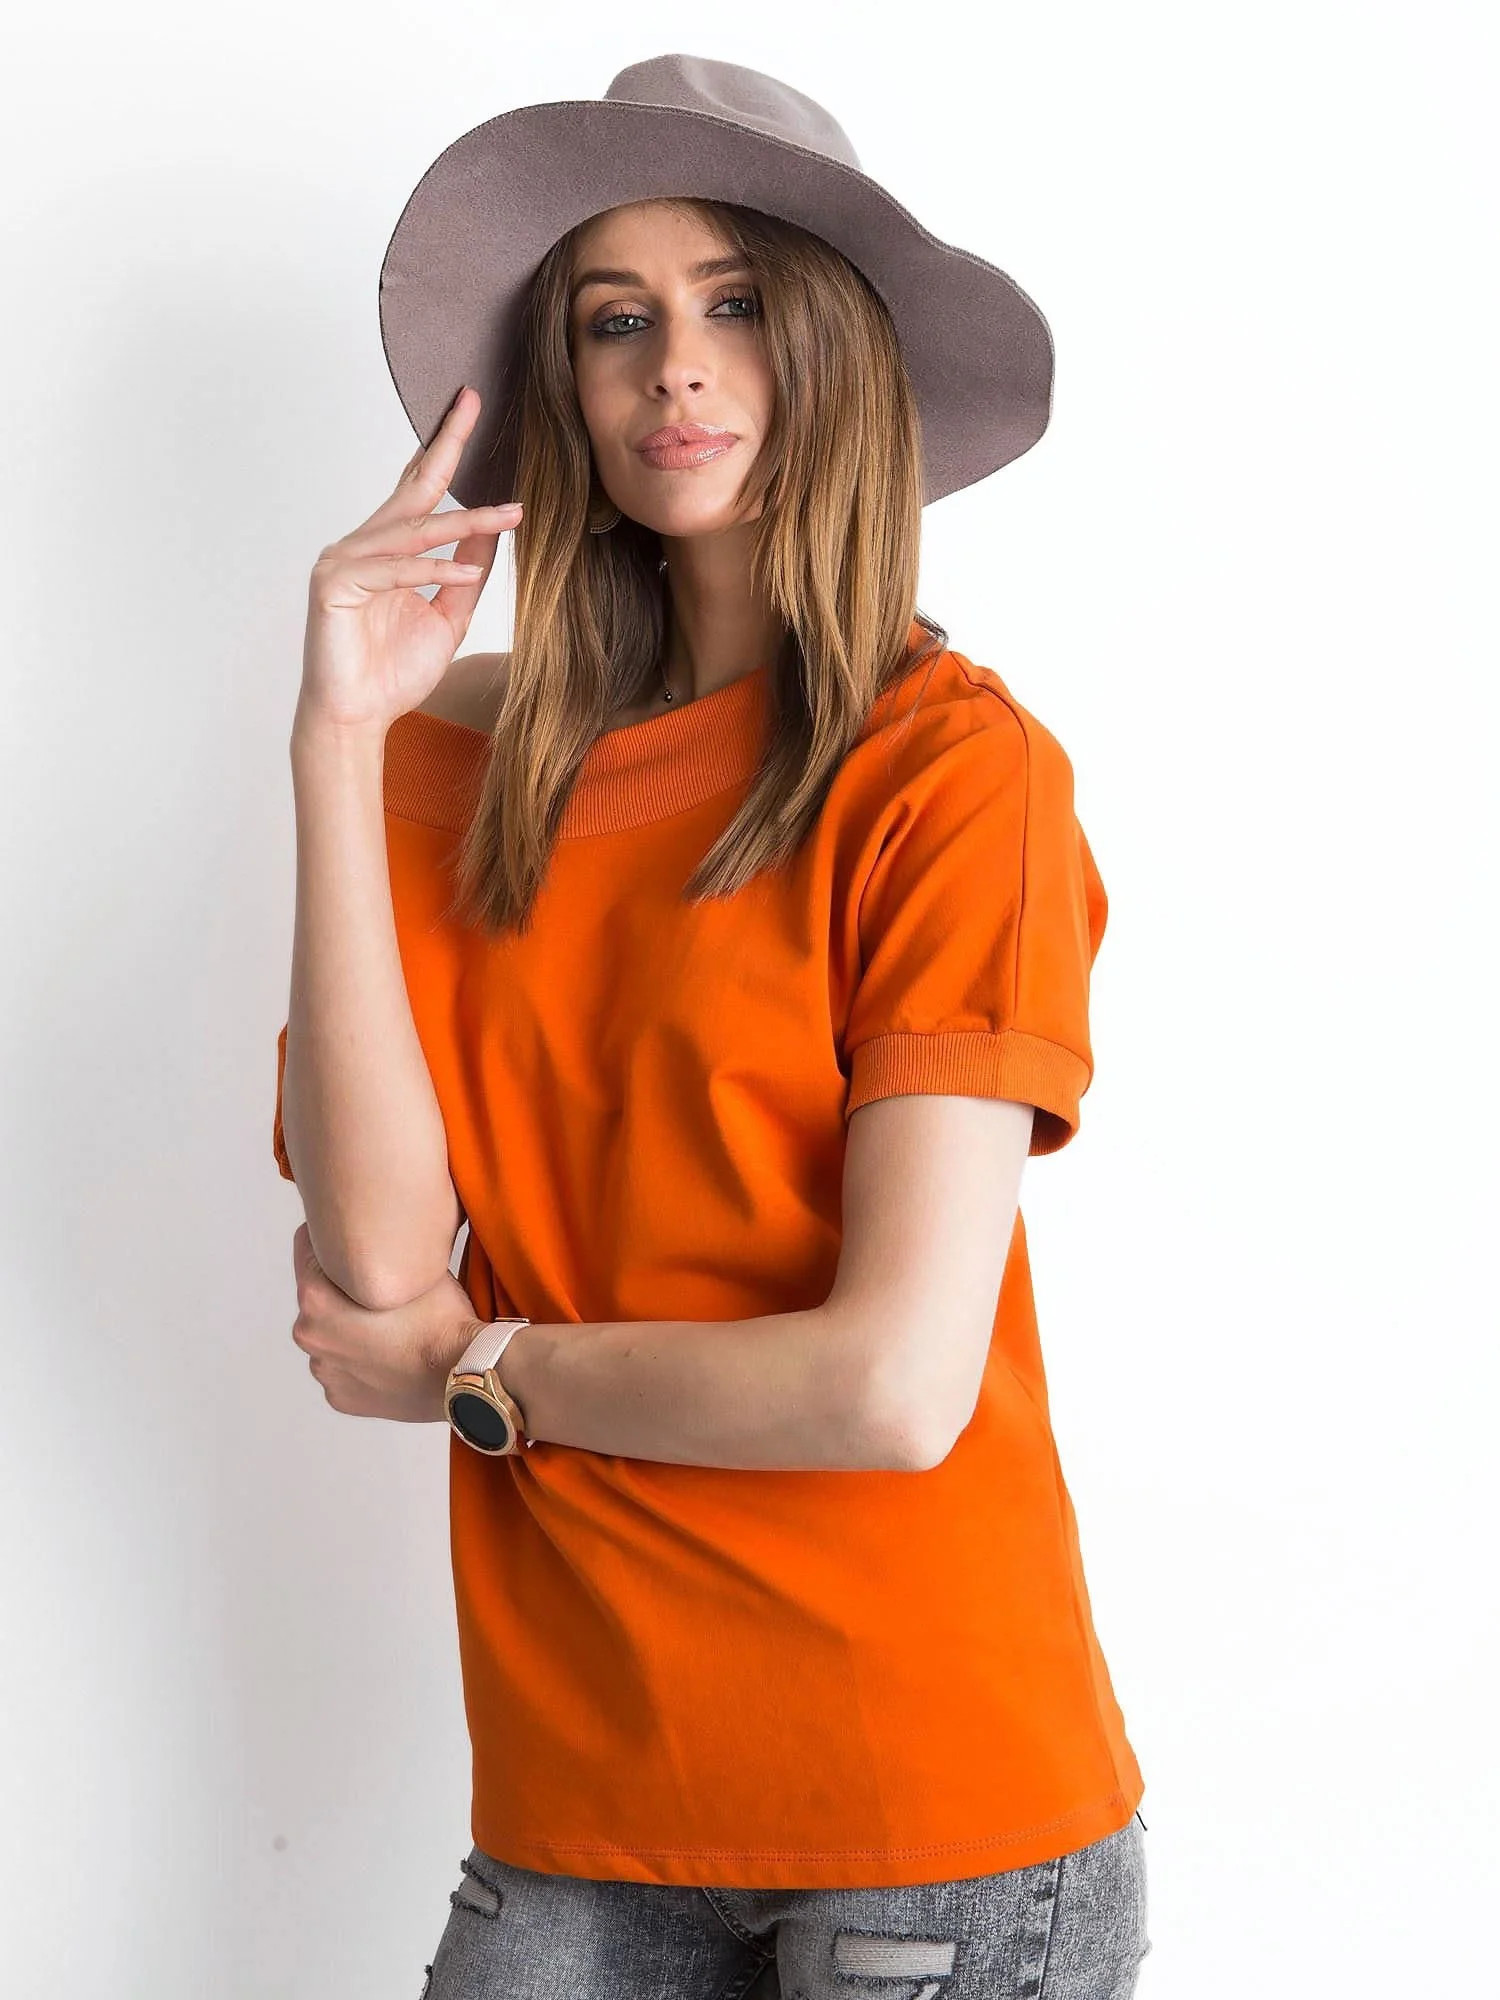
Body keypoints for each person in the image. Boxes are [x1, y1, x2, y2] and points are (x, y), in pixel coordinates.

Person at [272, 54, 1150, 2000]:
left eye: (735, 302)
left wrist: (483, 1372)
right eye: (616, 321)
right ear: (567, 395)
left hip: (932, 1816)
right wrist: (335, 740)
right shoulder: (443, 770)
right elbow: (378, 1271)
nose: (674, 365)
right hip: (577, 1802)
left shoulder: (951, 776)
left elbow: (889, 1387)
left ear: (831, 349)